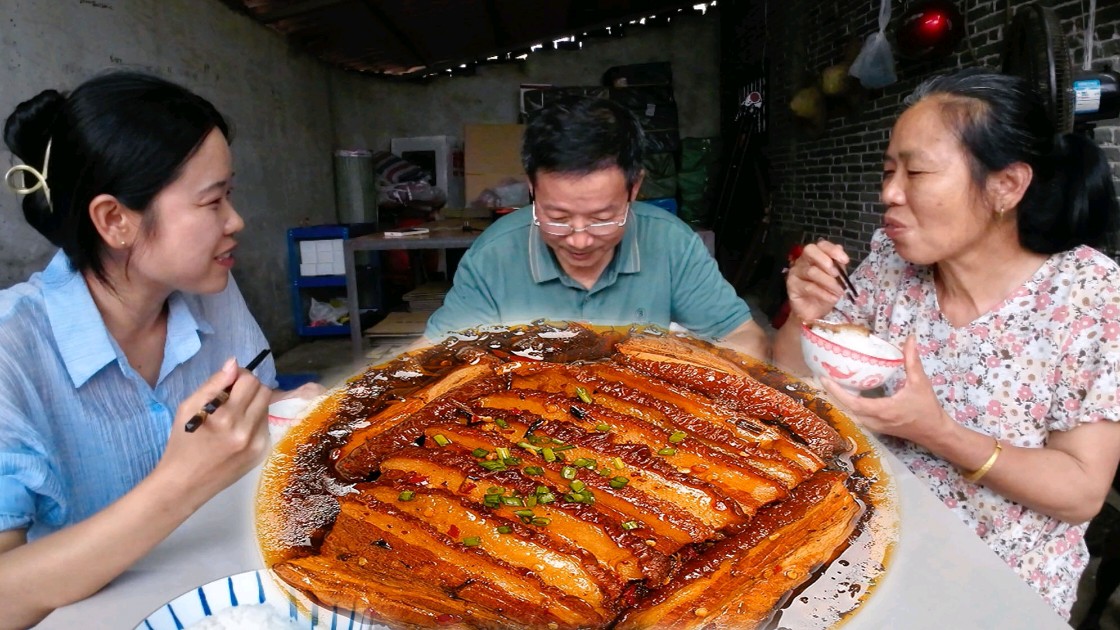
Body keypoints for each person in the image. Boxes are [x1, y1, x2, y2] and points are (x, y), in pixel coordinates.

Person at [772, 69, 1120, 618]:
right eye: (889, 171)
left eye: (916, 172)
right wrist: (803, 317)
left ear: (1006, 186)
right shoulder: (890, 261)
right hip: (863, 552)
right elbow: (793, 386)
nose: (889, 194)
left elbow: (1080, 491)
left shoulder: (1088, 296)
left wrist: (939, 433)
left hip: (994, 587)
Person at [0, 71, 323, 626]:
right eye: (213, 201)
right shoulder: (14, 348)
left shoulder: (211, 293)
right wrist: (180, 482)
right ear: (115, 220)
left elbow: (252, 404)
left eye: (231, 194)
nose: (236, 221)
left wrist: (289, 411)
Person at [424, 96, 769, 359]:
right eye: (557, 217)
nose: (579, 239)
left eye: (602, 218)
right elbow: (435, 359)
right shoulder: (493, 255)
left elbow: (744, 337)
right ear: (531, 188)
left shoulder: (670, 242)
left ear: (635, 188)